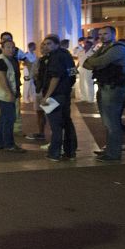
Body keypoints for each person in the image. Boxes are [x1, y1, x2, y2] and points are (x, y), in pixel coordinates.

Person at [84, 25, 125, 162]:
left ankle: (113, 153)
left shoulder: (118, 48)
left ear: (113, 34)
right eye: (100, 34)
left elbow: (98, 61)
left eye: (105, 33)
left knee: (112, 122)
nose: (102, 36)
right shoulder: (104, 48)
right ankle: (110, 150)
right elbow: (86, 63)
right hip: (104, 86)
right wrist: (95, 63)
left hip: (113, 88)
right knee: (108, 121)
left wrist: (95, 63)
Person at [40, 34, 78, 162]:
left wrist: (47, 96)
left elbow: (55, 77)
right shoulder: (67, 55)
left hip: (55, 95)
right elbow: (73, 74)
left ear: (57, 44)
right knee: (67, 122)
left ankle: (54, 153)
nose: (46, 46)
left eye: (49, 43)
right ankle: (70, 151)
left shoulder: (55, 57)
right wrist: (67, 87)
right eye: (44, 44)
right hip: (65, 94)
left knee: (55, 125)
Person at [0, 40, 24, 152]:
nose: (11, 49)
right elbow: (2, 79)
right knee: (9, 119)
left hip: (6, 94)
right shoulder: (1, 61)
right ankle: (9, 144)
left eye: (13, 47)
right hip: (5, 95)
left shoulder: (10, 60)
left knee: (3, 119)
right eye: (8, 47)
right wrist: (9, 94)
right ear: (2, 48)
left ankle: (0, 142)